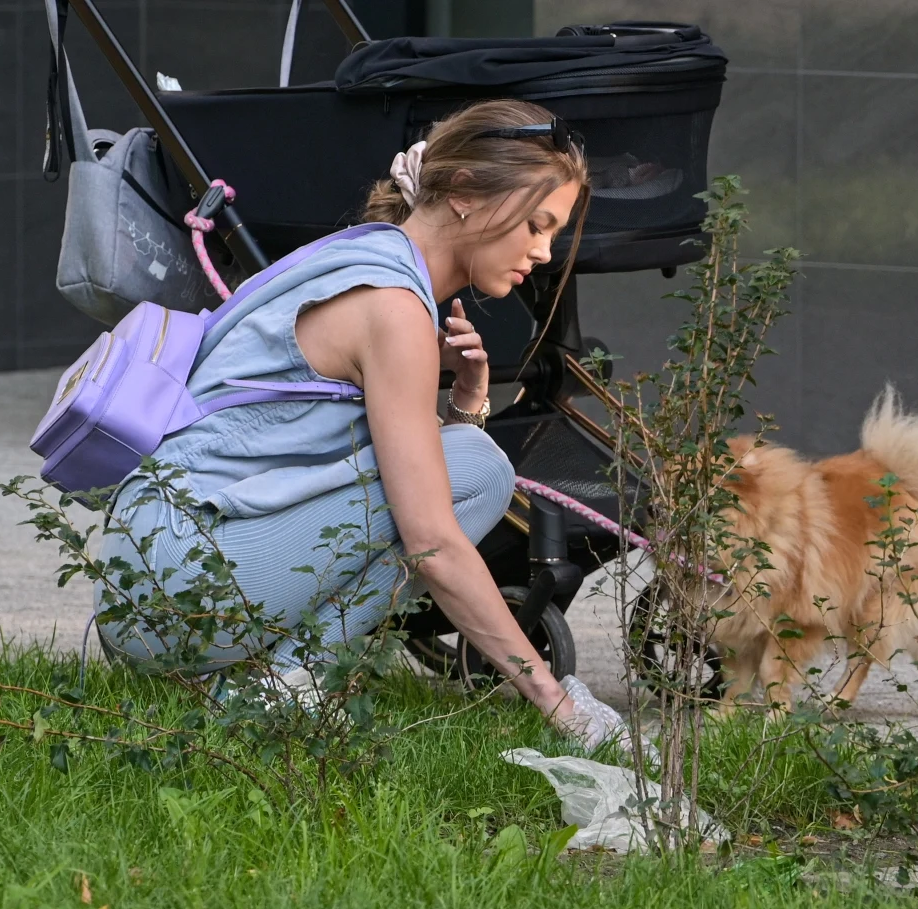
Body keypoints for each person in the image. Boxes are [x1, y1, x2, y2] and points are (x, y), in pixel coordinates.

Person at [95, 98, 632, 751]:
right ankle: (277, 686)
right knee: (480, 470)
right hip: (175, 579)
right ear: (464, 192)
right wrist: (556, 701)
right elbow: (432, 533)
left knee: (467, 464)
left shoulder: (364, 255)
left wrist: (468, 400)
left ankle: (259, 685)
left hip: (145, 575)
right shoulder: (395, 307)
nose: (544, 252)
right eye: (537, 225)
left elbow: (389, 474)